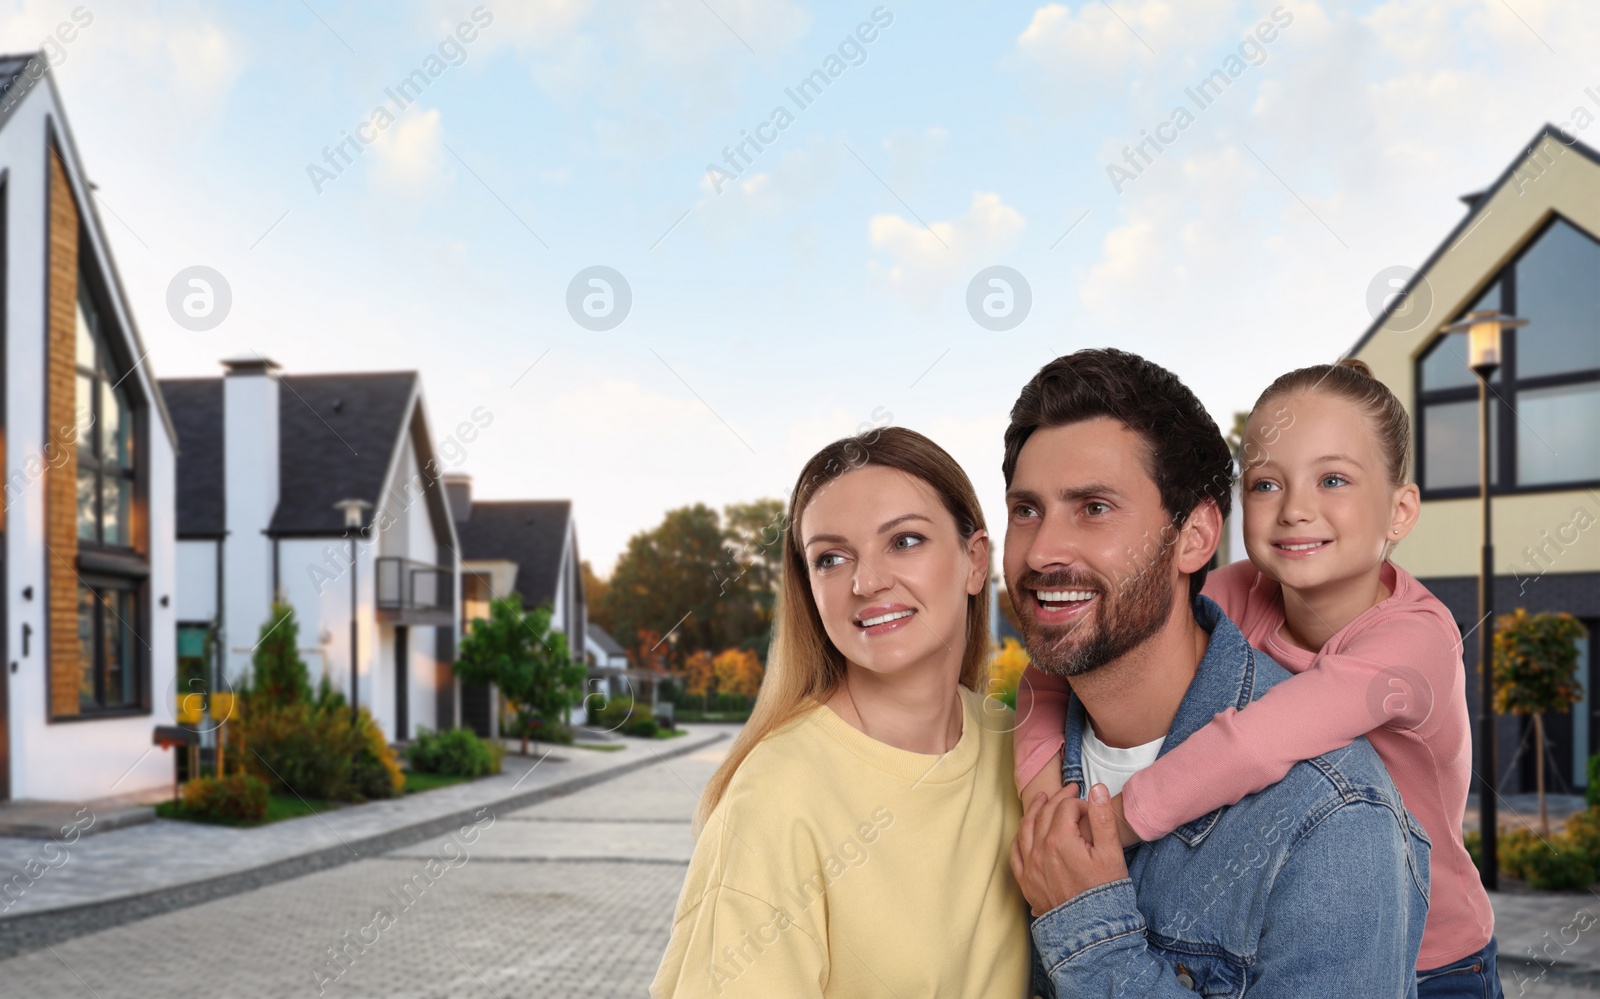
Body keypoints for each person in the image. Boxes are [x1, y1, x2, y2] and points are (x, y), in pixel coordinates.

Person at [1014, 358, 1499, 995]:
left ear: (1400, 511)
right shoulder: (1243, 590)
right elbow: (1060, 660)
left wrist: (1108, 826)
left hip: (1437, 954)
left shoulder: (1412, 642)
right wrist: (1042, 792)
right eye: (1267, 485)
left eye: (1333, 480)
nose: (1296, 509)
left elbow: (1253, 744)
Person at [650, 427, 1030, 998]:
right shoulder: (776, 798)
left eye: (904, 541)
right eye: (830, 558)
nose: (867, 581)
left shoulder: (1022, 751)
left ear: (976, 562)